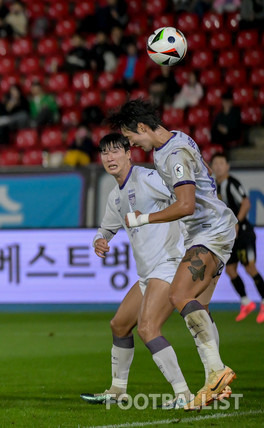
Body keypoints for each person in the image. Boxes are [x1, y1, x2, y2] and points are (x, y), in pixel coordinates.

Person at [108, 99, 237, 410]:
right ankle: (213, 383)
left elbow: (186, 205)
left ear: (141, 127)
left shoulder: (172, 154)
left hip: (211, 230)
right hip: (211, 229)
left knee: (179, 294)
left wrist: (145, 218)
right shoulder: (179, 139)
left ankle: (217, 371)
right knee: (199, 307)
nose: (133, 144)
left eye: (132, 137)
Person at [81, 133, 194, 409]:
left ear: (129, 153)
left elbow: (181, 198)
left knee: (147, 327)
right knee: (119, 325)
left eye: (115, 151)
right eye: (105, 153)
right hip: (148, 273)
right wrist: (100, 239)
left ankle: (184, 394)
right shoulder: (115, 196)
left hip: (168, 264)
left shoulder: (146, 178)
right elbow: (107, 227)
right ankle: (118, 389)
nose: (110, 158)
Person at [211, 152, 264, 323]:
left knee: (250, 267)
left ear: (227, 166)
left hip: (243, 233)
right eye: (215, 163)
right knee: (231, 270)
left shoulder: (231, 183)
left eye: (221, 163)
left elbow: (246, 202)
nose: (218, 166)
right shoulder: (215, 187)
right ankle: (246, 302)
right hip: (230, 235)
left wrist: (237, 222)